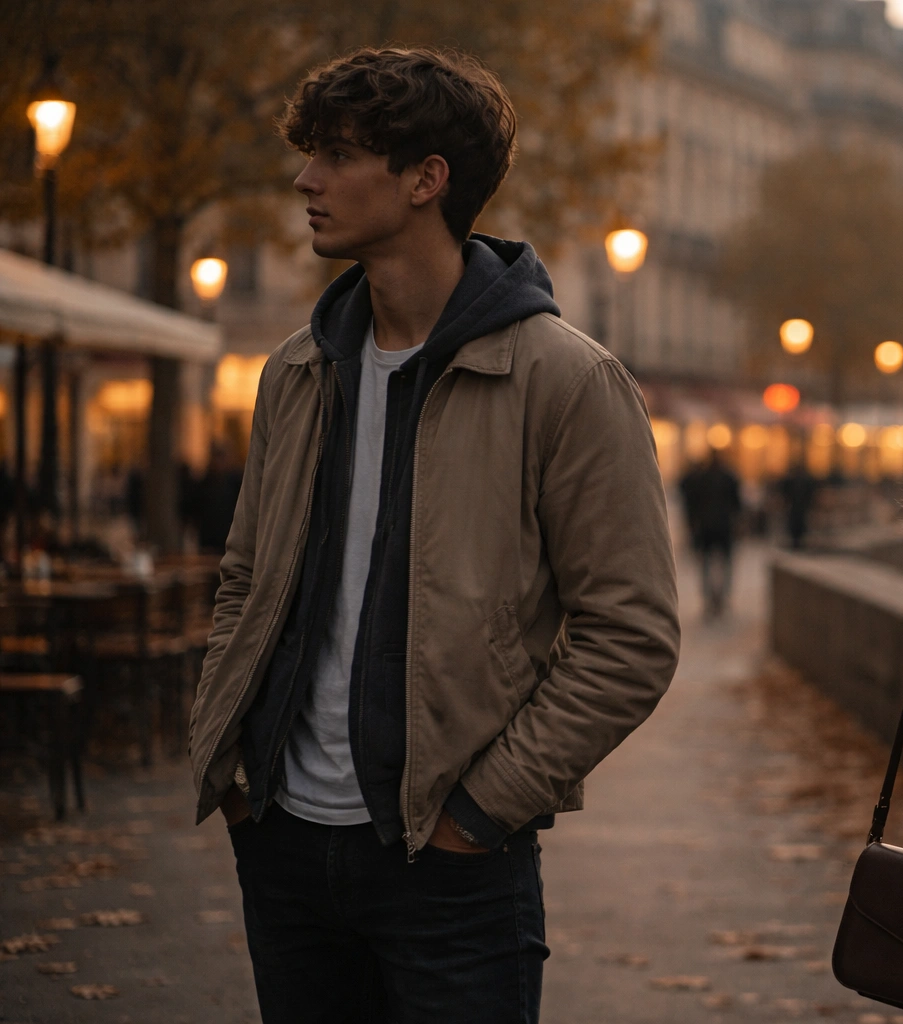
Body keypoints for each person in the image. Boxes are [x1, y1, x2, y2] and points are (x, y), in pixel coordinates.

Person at [188, 48, 679, 1024]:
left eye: (336, 155)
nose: (306, 180)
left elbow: (631, 635)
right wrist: (236, 769)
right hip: (283, 845)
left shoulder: (566, 381)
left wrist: (482, 809)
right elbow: (245, 577)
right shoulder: (296, 370)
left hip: (450, 864)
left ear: (426, 179)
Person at [678, 450, 741, 617]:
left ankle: (710, 598)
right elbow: (737, 504)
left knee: (706, 563)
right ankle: (721, 597)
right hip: (723, 526)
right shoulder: (729, 476)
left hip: (705, 527)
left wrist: (692, 525)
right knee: (724, 563)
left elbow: (690, 503)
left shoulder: (700, 477)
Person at [776, 455, 819, 550]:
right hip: (794, 507)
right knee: (794, 524)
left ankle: (799, 542)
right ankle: (795, 542)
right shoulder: (792, 480)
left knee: (800, 524)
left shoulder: (805, 480)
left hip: (801, 506)